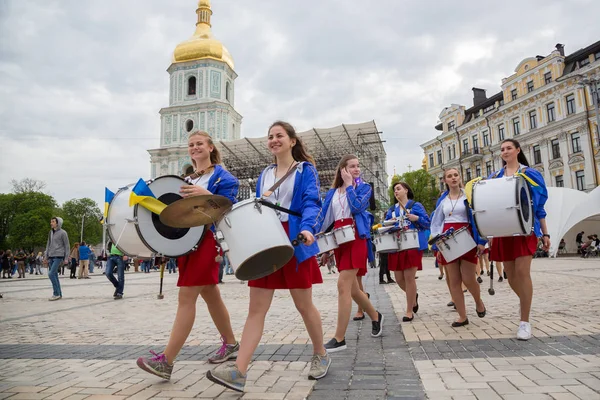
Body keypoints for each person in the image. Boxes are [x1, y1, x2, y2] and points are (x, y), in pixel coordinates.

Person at [207, 121, 330, 392]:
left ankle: (320, 353)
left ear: (292, 141)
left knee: (304, 306)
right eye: (270, 137)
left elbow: (312, 201)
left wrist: (309, 228)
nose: (274, 140)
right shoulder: (264, 173)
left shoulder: (304, 170)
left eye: (279, 136)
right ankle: (238, 371)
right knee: (256, 310)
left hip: (296, 238)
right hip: (266, 239)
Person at [137, 130, 240, 381]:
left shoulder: (222, 177)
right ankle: (232, 344)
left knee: (186, 299)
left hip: (205, 241)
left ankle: (167, 361)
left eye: (199, 144)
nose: (194, 148)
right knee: (211, 296)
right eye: (191, 145)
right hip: (187, 242)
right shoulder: (188, 178)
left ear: (211, 148)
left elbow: (228, 207)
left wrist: (204, 195)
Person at [318, 154, 384, 352]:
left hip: (356, 237)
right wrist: (323, 246)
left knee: (343, 285)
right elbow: (324, 220)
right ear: (343, 170)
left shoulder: (364, 188)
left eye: (358, 166)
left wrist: (348, 186)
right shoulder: (332, 193)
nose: (357, 169)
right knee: (354, 289)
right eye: (352, 166)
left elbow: (357, 207)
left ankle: (339, 338)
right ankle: (375, 315)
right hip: (340, 239)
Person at [488, 139, 549, 341]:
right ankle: (526, 301)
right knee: (511, 276)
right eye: (502, 149)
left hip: (525, 229)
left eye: (508, 148)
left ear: (517, 150)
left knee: (523, 272)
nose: (505, 151)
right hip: (503, 231)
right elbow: (490, 205)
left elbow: (539, 208)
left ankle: (524, 321)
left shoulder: (530, 174)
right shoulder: (495, 177)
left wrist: (545, 233)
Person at [430, 168, 487, 327]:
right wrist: (436, 240)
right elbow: (436, 221)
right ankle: (462, 316)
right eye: (449, 176)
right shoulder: (442, 200)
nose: (453, 178)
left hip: (466, 237)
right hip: (447, 239)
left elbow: (478, 217)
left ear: (459, 178)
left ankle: (478, 301)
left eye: (456, 175)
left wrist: (482, 240)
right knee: (454, 280)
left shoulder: (469, 196)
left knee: (468, 278)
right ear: (445, 180)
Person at [385, 182, 430, 322]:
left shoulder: (415, 206)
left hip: (412, 244)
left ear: (406, 190)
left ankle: (409, 310)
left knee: (409, 277)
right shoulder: (392, 210)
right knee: (399, 279)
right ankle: (413, 297)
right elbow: (385, 226)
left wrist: (416, 218)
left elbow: (427, 222)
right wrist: (389, 223)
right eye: (394, 190)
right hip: (397, 246)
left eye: (398, 189)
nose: (396, 191)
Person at [44, 217, 70, 301]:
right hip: (51, 256)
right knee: (54, 275)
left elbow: (67, 246)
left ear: (58, 223)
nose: (51, 223)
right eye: (51, 221)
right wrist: (46, 256)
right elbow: (48, 244)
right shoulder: (50, 232)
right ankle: (59, 294)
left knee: (51, 274)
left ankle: (56, 293)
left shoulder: (63, 233)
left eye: (53, 221)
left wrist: (66, 258)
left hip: (58, 256)